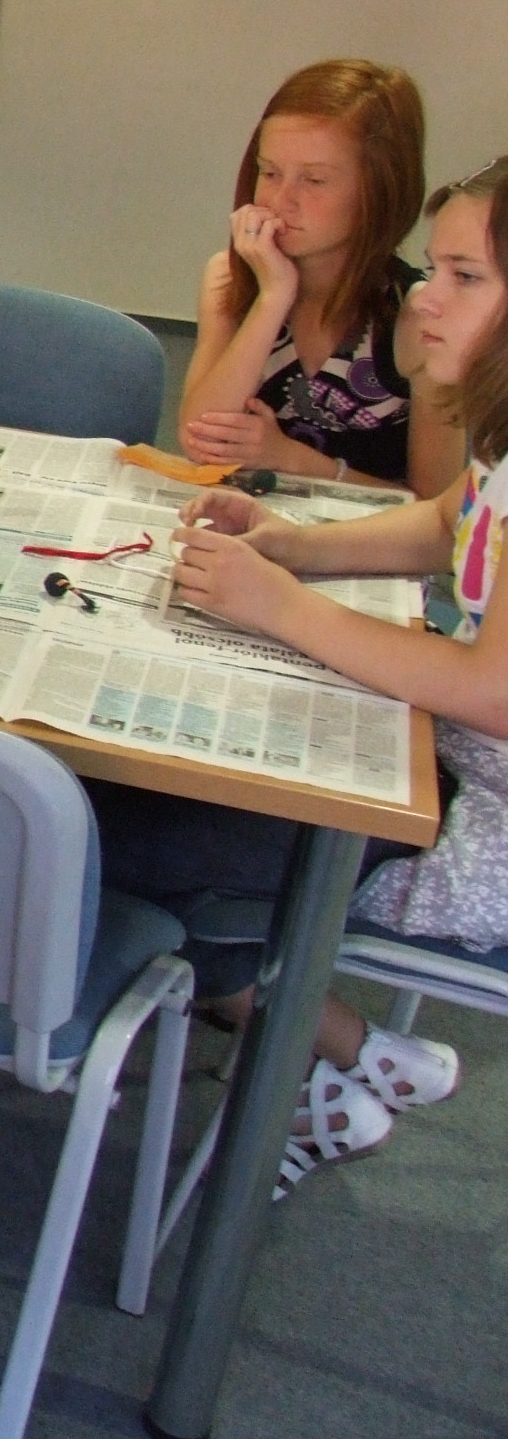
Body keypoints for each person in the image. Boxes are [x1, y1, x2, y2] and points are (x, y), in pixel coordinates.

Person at [102, 157, 508, 1195]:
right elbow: (445, 521)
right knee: (156, 795)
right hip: (449, 754)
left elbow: (492, 690)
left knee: (139, 838)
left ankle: (311, 1065)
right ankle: (353, 1057)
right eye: (436, 270)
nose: (428, 296)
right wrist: (291, 547)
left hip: (479, 823)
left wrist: (284, 606)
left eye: (465, 277)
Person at [178, 59, 459, 496]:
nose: (281, 199)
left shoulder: (422, 317)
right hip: (245, 521)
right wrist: (273, 297)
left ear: (379, 190)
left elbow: (436, 507)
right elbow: (200, 439)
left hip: (362, 534)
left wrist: (294, 460)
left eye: (314, 179)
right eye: (269, 172)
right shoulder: (229, 279)